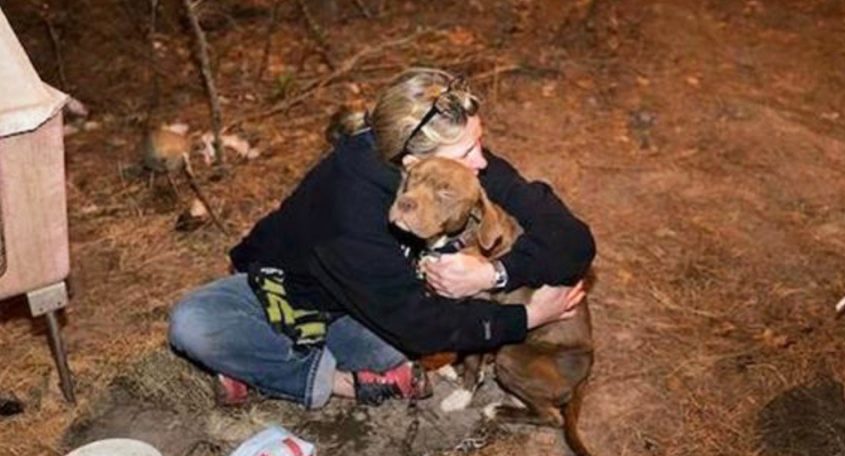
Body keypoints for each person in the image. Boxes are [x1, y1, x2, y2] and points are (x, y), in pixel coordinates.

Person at [168, 67, 595, 409]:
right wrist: (526, 319)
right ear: (412, 162)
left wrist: (495, 274)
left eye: (479, 142)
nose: (482, 160)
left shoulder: (452, 163)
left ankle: (264, 363)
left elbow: (574, 242)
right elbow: (422, 329)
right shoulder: (349, 208)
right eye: (469, 152)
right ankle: (337, 383)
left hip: (375, 312)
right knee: (193, 323)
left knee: (400, 344)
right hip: (298, 291)